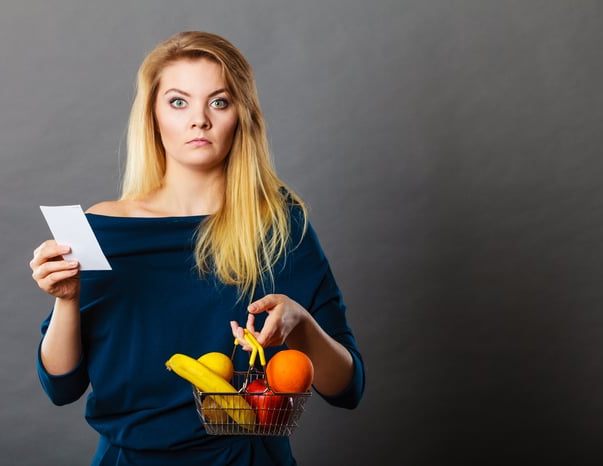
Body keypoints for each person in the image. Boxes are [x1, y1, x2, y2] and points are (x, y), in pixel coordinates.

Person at [29, 30, 365, 465]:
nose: (199, 120)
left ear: (240, 116)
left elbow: (348, 390)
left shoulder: (279, 226)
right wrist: (67, 301)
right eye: (178, 101)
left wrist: (303, 326)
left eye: (219, 102)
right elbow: (61, 386)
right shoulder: (102, 229)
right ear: (152, 115)